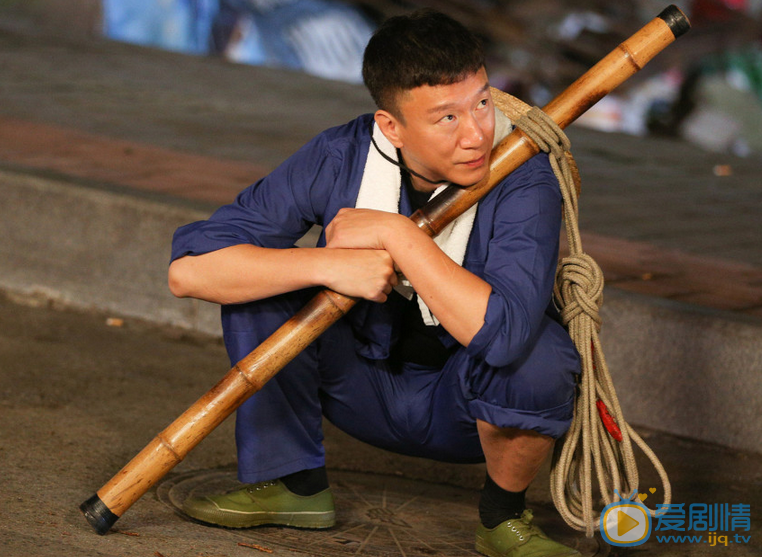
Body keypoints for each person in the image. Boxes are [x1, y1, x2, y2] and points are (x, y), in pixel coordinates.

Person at [169, 9, 581, 557]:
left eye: (482, 101)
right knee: (263, 285)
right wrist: (324, 266)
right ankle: (296, 485)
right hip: (357, 388)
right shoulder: (339, 155)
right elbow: (189, 271)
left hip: (468, 405)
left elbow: (502, 337)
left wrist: (398, 238)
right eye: (447, 118)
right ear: (390, 126)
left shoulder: (524, 175)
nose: (477, 132)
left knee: (540, 357)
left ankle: (502, 517)